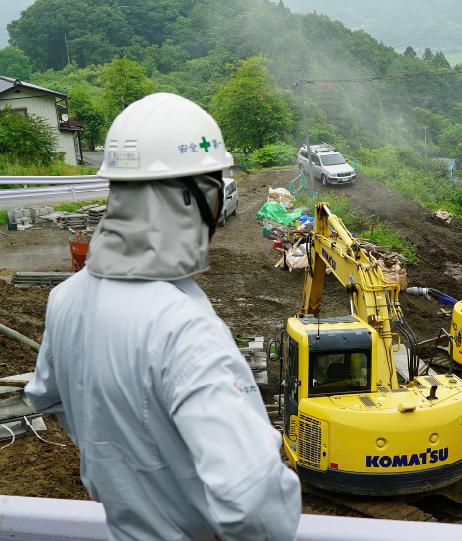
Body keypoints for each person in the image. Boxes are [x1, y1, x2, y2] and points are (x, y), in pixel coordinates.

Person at [25, 93, 301, 541]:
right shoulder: (185, 328)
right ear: (198, 197)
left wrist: (129, 466)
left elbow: (48, 397)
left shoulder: (65, 299)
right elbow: (254, 502)